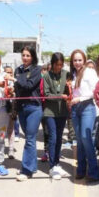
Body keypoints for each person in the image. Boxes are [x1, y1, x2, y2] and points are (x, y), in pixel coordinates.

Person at [68, 49, 99, 183]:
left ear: (84, 60)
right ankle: (81, 169)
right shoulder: (72, 74)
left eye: (80, 60)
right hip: (75, 109)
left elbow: (96, 91)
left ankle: (94, 171)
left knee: (86, 137)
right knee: (79, 140)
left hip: (87, 107)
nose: (77, 62)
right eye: (75, 60)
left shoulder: (89, 72)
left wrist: (80, 99)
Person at [14, 47, 43, 182]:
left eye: (28, 55)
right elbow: (18, 89)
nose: (25, 58)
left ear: (33, 57)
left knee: (30, 139)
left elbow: (29, 86)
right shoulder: (18, 70)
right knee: (29, 138)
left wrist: (16, 79)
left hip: (34, 107)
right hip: (21, 107)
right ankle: (33, 166)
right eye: (23, 55)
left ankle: (27, 170)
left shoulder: (37, 69)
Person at [41, 52, 71, 180]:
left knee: (59, 138)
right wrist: (60, 96)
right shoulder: (46, 76)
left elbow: (70, 89)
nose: (59, 67)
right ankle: (52, 166)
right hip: (50, 112)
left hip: (62, 112)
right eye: (56, 64)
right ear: (52, 64)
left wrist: (69, 92)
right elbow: (46, 95)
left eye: (61, 64)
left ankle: (57, 164)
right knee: (52, 138)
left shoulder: (66, 74)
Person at [3, 65, 20, 159]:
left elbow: (19, 91)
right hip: (2, 108)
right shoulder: (1, 82)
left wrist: (13, 93)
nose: (9, 74)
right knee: (1, 130)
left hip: (12, 108)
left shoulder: (15, 82)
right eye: (7, 72)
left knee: (11, 129)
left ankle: (11, 149)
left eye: (10, 72)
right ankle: (0, 148)